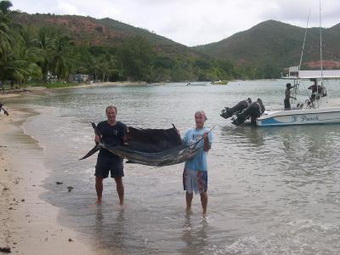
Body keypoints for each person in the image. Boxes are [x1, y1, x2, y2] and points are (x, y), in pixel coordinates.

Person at [94, 105, 127, 205]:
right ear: (106, 114)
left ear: (116, 114)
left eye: (113, 113)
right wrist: (96, 139)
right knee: (98, 178)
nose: (111, 115)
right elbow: (97, 138)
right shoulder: (101, 125)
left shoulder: (121, 126)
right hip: (103, 155)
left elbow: (125, 142)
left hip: (117, 156)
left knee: (118, 179)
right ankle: (99, 200)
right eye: (109, 113)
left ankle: (121, 202)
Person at [182, 111, 213, 216]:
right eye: (196, 118)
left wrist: (206, 139)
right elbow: (182, 145)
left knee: (203, 192)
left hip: (201, 167)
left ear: (204, 119)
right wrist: (176, 135)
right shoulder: (189, 132)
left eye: (200, 118)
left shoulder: (208, 132)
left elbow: (206, 149)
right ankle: (188, 210)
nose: (198, 120)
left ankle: (204, 213)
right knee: (188, 191)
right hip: (188, 167)